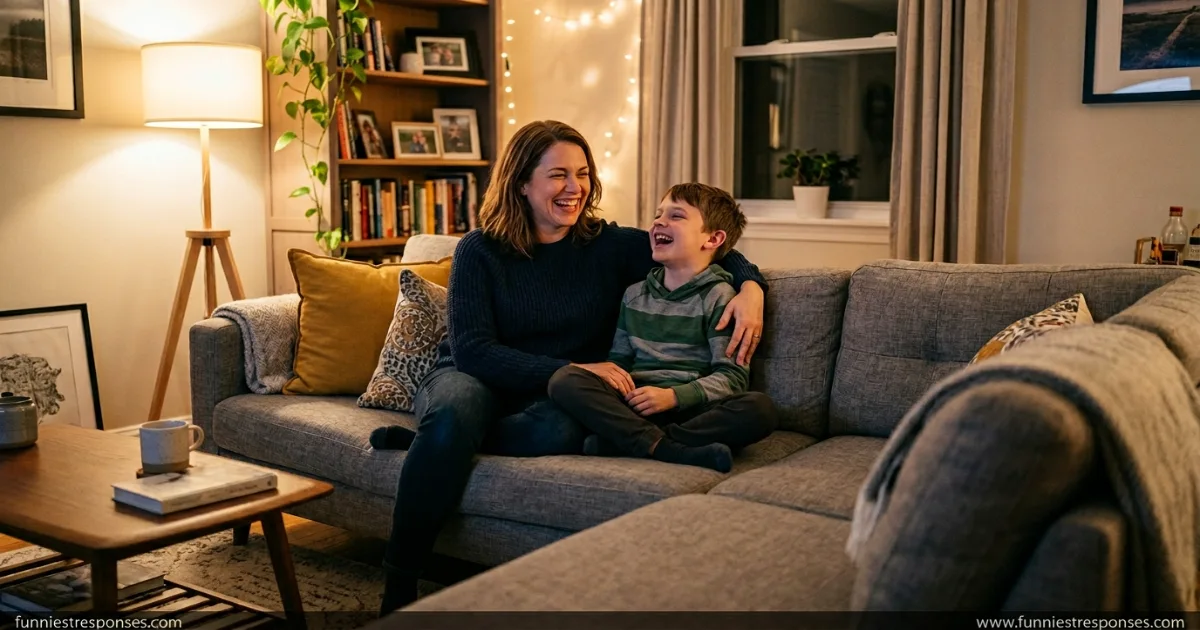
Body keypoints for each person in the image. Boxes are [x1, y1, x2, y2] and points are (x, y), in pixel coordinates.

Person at [371, 120, 769, 613]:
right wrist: (578, 368)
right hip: (473, 374)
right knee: (454, 413)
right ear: (522, 182)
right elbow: (474, 351)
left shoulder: (609, 245)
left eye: (582, 174)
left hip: (554, 391)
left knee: (561, 431)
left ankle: (430, 444)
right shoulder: (480, 249)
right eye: (558, 174)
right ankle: (400, 582)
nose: (575, 187)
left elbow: (705, 247)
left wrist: (751, 288)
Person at [547, 183, 777, 473]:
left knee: (759, 409)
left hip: (689, 409)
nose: (658, 222)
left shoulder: (721, 297)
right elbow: (619, 363)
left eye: (676, 216)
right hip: (635, 406)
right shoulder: (634, 294)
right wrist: (615, 389)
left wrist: (672, 397)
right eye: (658, 214)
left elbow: (732, 378)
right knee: (565, 379)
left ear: (713, 238)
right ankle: (666, 448)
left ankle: (632, 443)